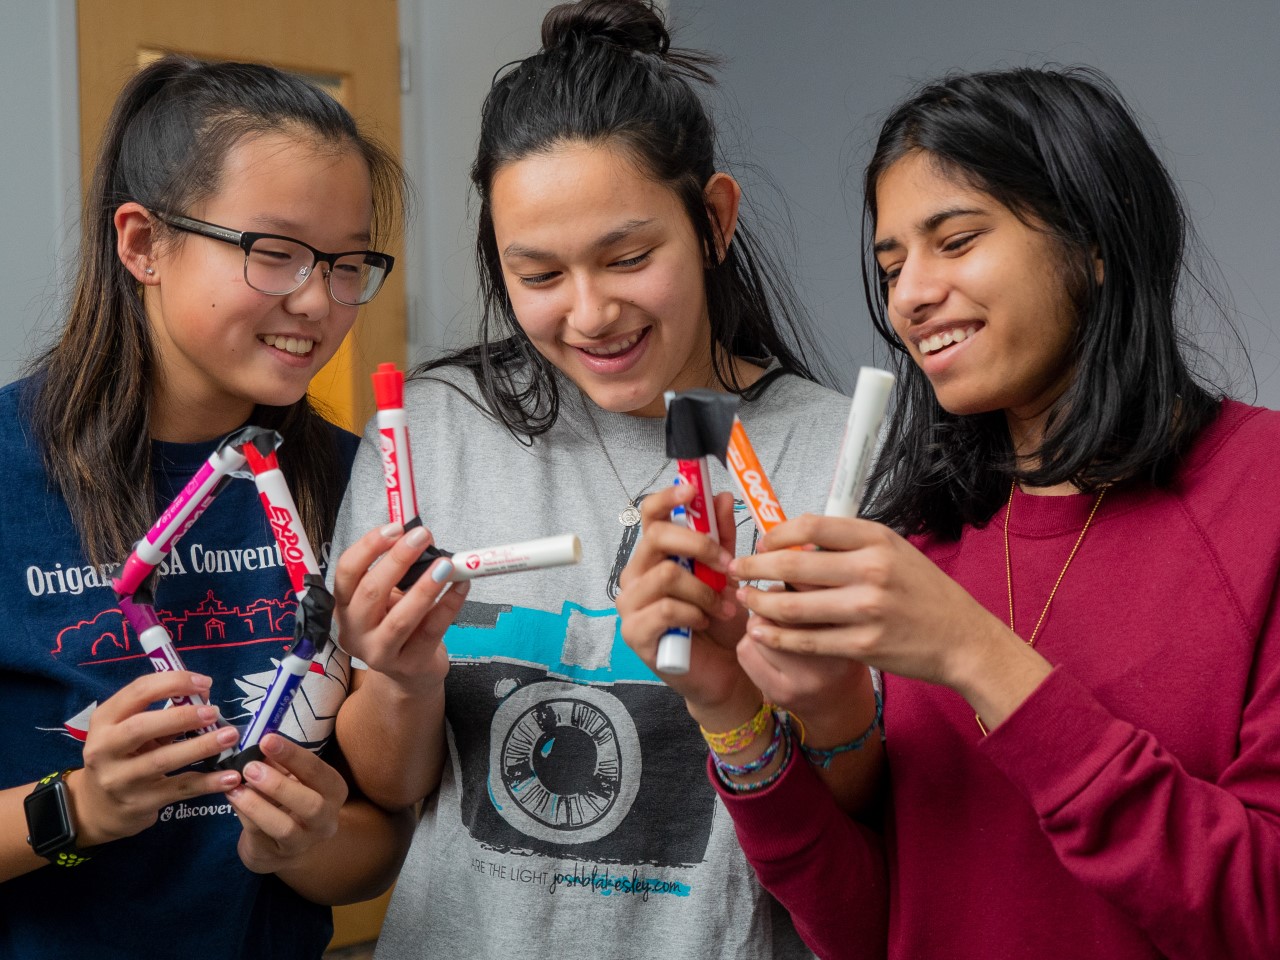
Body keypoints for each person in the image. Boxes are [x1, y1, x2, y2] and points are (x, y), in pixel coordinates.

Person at [631, 66, 1280, 959]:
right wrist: (729, 702)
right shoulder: (923, 535)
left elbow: (1260, 910)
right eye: (892, 265)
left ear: (1095, 241)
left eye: (957, 240)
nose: (910, 295)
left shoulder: (1263, 494)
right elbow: (868, 930)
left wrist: (974, 654)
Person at [329, 1, 859, 956]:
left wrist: (760, 686)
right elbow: (397, 791)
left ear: (715, 220)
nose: (589, 313)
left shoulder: (830, 455)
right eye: (537, 273)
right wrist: (401, 677)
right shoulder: (434, 431)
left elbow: (871, 802)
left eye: (629, 257)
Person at [0, 55, 414, 959]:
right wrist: (75, 806)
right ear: (142, 243)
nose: (317, 300)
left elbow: (374, 848)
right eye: (275, 253)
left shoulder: (354, 485)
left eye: (348, 264)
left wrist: (303, 844)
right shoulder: (8, 469)